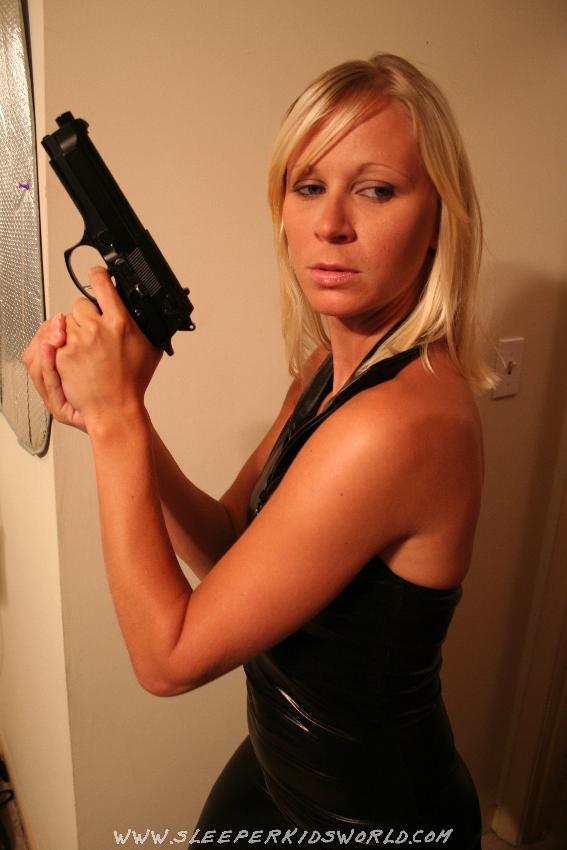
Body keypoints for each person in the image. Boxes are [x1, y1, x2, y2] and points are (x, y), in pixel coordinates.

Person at [24, 53, 492, 848]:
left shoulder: (396, 425)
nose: (330, 222)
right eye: (307, 186)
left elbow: (167, 660)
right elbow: (227, 548)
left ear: (439, 217)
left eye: (376, 189)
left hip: (369, 815)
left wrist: (116, 425)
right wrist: (125, 416)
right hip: (282, 766)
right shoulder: (325, 371)